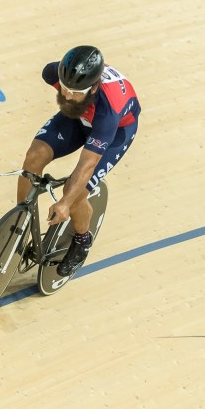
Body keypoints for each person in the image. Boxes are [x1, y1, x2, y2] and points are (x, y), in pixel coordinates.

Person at [17, 45, 140, 276]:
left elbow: (87, 164)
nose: (67, 96)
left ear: (93, 88)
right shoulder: (53, 74)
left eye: (76, 92)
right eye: (64, 88)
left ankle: (83, 240)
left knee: (75, 193)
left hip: (114, 133)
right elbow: (69, 92)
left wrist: (64, 202)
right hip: (78, 117)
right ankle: (20, 221)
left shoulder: (109, 110)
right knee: (35, 156)